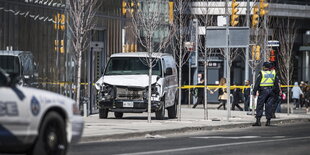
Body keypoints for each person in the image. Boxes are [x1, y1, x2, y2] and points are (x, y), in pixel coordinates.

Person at [252, 62, 280, 126]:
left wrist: (254, 92)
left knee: (260, 105)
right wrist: (277, 92)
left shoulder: (262, 73)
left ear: (264, 67)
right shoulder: (273, 73)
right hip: (271, 91)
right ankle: (268, 121)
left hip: (263, 91)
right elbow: (276, 83)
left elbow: (257, 83)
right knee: (269, 106)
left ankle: (258, 121)